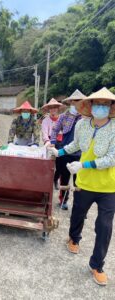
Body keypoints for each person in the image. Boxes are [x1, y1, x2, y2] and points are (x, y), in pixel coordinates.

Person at [49, 87, 115, 286]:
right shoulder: (82, 125)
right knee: (77, 215)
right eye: (97, 104)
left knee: (104, 226)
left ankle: (97, 265)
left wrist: (83, 164)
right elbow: (75, 145)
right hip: (84, 182)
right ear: (90, 105)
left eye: (105, 104)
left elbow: (111, 158)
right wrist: (58, 152)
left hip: (108, 186)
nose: (101, 107)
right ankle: (74, 239)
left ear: (111, 107)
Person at [49, 90, 86, 210]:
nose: (76, 105)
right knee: (64, 178)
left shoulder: (86, 118)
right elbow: (54, 130)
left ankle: (79, 205)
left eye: (78, 102)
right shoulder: (64, 116)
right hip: (65, 150)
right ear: (70, 103)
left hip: (81, 153)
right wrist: (53, 143)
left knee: (79, 181)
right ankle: (63, 201)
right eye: (73, 102)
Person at [41, 98, 65, 189]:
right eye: (51, 108)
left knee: (61, 164)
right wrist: (48, 143)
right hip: (50, 142)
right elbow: (45, 134)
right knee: (48, 163)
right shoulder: (45, 120)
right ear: (49, 109)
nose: (53, 109)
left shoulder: (63, 119)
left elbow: (65, 132)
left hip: (62, 142)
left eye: (55, 107)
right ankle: (46, 181)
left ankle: (55, 179)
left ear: (58, 108)